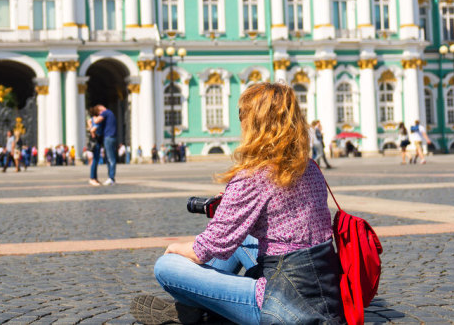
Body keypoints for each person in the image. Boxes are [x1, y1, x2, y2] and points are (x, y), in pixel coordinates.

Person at [130, 82, 343, 324]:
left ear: (255, 124)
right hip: (322, 289)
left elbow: (207, 248)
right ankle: (207, 308)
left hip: (280, 303)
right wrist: (237, 208)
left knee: (167, 267)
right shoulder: (310, 167)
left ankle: (200, 309)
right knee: (243, 236)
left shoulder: (253, 177)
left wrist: (176, 248)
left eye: (243, 116)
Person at [88, 107, 104, 185]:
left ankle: (95, 178)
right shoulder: (97, 120)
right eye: (101, 110)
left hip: (96, 141)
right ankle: (92, 178)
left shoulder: (92, 119)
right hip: (96, 141)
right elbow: (92, 129)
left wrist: (91, 128)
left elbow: (89, 122)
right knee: (95, 160)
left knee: (96, 160)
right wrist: (93, 131)